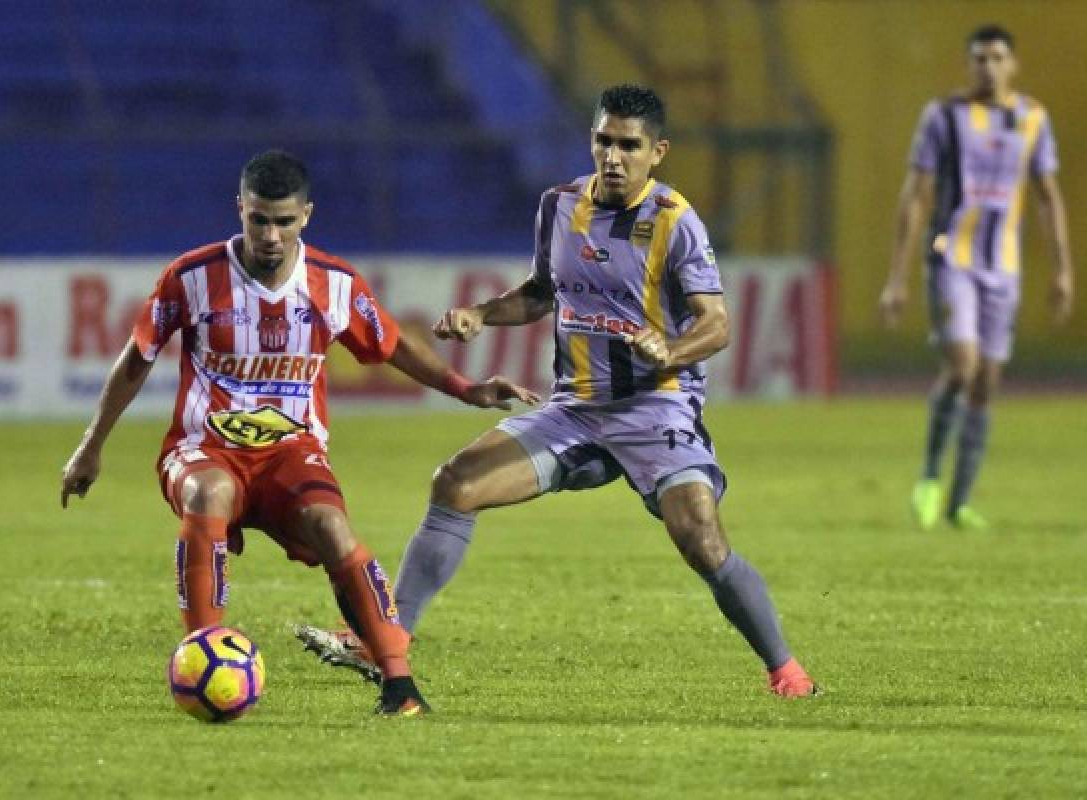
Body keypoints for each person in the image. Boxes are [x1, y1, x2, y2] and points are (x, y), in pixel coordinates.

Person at [297, 84, 818, 698]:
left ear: (658, 152)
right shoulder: (558, 206)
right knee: (455, 484)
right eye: (604, 140)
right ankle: (385, 640)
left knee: (700, 535)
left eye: (629, 145)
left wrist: (670, 351)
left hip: (656, 407)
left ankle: (787, 673)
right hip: (576, 408)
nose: (613, 156)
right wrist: (481, 314)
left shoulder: (676, 222)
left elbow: (716, 324)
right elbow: (542, 292)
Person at [60, 150, 537, 716]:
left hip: (292, 454)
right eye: (258, 219)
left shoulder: (334, 285)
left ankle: (400, 686)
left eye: (283, 221)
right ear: (239, 209)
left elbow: (392, 345)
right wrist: (91, 446)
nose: (270, 234)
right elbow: (135, 359)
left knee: (333, 527)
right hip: (204, 449)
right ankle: (204, 653)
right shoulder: (191, 277)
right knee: (206, 493)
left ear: (306, 215)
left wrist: (466, 388)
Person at [879, 24, 1074, 530]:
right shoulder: (943, 117)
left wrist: (1063, 271)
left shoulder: (1032, 118)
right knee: (963, 367)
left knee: (986, 383)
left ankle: (959, 502)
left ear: (1013, 64)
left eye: (997, 58)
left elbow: (1048, 196)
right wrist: (897, 278)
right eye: (979, 59)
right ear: (968, 65)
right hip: (952, 260)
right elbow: (916, 195)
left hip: (1002, 267)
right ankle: (928, 477)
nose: (988, 67)